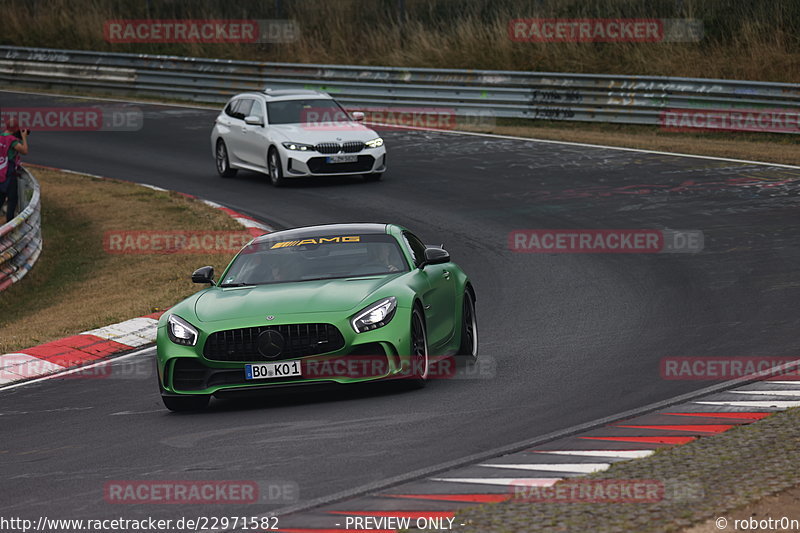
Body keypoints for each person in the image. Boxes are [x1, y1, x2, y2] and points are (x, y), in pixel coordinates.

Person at [0, 118, 29, 223]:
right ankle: (10, 225)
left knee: (1, 199)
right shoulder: (12, 141)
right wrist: (24, 138)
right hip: (8, 173)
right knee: (12, 200)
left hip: (0, 172)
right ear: (16, 129)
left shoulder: (1, 136)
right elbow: (24, 151)